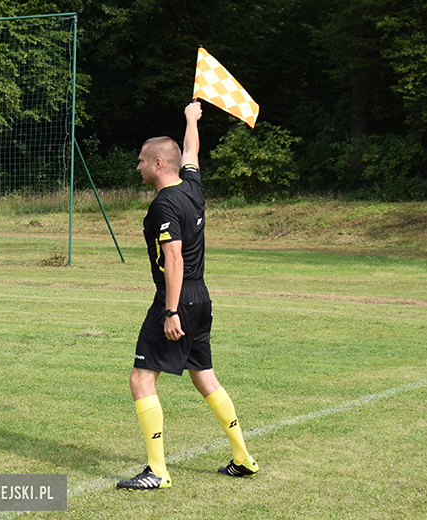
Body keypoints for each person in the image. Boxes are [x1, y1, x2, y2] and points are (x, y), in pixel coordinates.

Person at [117, 101, 259, 490]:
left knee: (141, 380)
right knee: (205, 378)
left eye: (143, 161)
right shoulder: (193, 188)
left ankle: (157, 471)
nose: (138, 167)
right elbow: (191, 152)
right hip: (203, 297)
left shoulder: (164, 203)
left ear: (159, 165)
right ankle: (243, 458)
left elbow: (174, 259)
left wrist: (171, 310)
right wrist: (191, 120)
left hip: (179, 296)